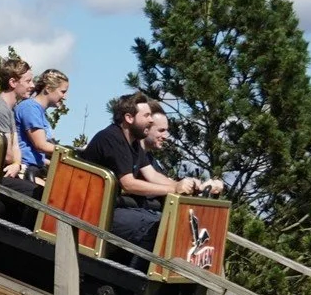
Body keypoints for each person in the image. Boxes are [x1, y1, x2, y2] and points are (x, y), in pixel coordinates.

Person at [80, 92, 214, 261]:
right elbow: (128, 184)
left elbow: (152, 175)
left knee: (170, 223)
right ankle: (134, 280)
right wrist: (173, 188)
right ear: (129, 118)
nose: (151, 120)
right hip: (94, 211)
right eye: (147, 115)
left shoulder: (134, 144)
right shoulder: (112, 138)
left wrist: (183, 186)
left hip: (113, 208)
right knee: (156, 228)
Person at [0, 57, 33, 179]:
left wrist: (17, 164)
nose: (32, 85)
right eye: (28, 81)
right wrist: (16, 164)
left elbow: (15, 146)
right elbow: (8, 155)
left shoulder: (10, 109)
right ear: (13, 82)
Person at [15, 70, 68, 178]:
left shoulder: (40, 113)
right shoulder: (30, 108)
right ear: (48, 88)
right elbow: (41, 145)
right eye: (62, 92)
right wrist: (69, 152)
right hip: (25, 170)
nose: (65, 97)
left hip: (37, 168)